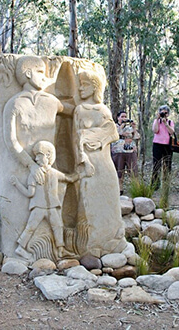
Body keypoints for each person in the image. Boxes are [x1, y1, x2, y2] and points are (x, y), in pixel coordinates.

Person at [73, 70, 127, 257]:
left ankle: (113, 239)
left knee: (109, 201)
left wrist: (98, 137)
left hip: (104, 163)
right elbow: (76, 137)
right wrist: (83, 158)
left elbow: (113, 133)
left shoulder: (103, 110)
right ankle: (92, 243)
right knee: (90, 203)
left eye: (85, 85)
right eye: (80, 84)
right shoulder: (79, 110)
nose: (81, 88)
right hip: (89, 164)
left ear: (95, 88)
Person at [11, 141, 80, 260]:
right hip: (38, 207)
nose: (36, 159)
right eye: (35, 155)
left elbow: (69, 178)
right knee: (31, 227)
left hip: (52, 206)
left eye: (39, 155)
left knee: (58, 226)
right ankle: (21, 248)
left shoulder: (54, 173)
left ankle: (60, 250)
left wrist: (81, 173)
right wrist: (17, 184)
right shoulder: (34, 174)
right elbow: (29, 193)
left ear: (48, 155)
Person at [111, 110, 140, 193]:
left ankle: (136, 189)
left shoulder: (129, 128)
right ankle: (120, 189)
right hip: (118, 152)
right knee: (119, 171)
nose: (124, 118)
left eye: (125, 117)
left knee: (133, 171)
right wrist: (122, 125)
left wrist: (134, 128)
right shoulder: (114, 126)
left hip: (130, 151)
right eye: (122, 117)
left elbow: (137, 137)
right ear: (118, 118)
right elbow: (117, 133)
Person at [151, 105, 175, 187]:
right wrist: (158, 120)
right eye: (162, 112)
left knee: (167, 165)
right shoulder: (156, 121)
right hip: (157, 145)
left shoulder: (170, 122)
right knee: (156, 164)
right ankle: (155, 184)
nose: (164, 114)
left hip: (167, 146)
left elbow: (172, 132)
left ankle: (166, 183)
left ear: (168, 114)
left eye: (165, 112)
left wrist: (166, 123)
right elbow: (155, 131)